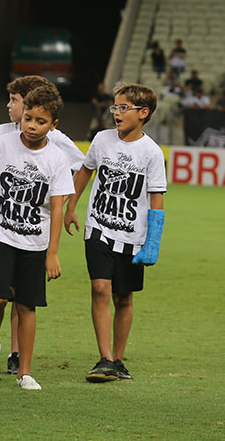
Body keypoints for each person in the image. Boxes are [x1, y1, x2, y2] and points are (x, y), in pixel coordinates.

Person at [0, 76, 83, 376]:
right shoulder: (3, 138)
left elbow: (65, 190)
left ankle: (21, 365)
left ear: (52, 124)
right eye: (27, 117)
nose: (30, 124)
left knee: (25, 302)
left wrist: (57, 240)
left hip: (34, 239)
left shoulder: (57, 153)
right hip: (0, 232)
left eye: (39, 120)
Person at [64, 82, 166, 383]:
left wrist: (153, 240)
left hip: (133, 236)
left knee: (123, 298)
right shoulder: (102, 139)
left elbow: (157, 199)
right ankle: (105, 358)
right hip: (98, 227)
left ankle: (118, 361)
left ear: (143, 112)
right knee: (100, 289)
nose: (116, 113)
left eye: (124, 108)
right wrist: (71, 207)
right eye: (115, 107)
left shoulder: (152, 153)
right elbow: (85, 171)